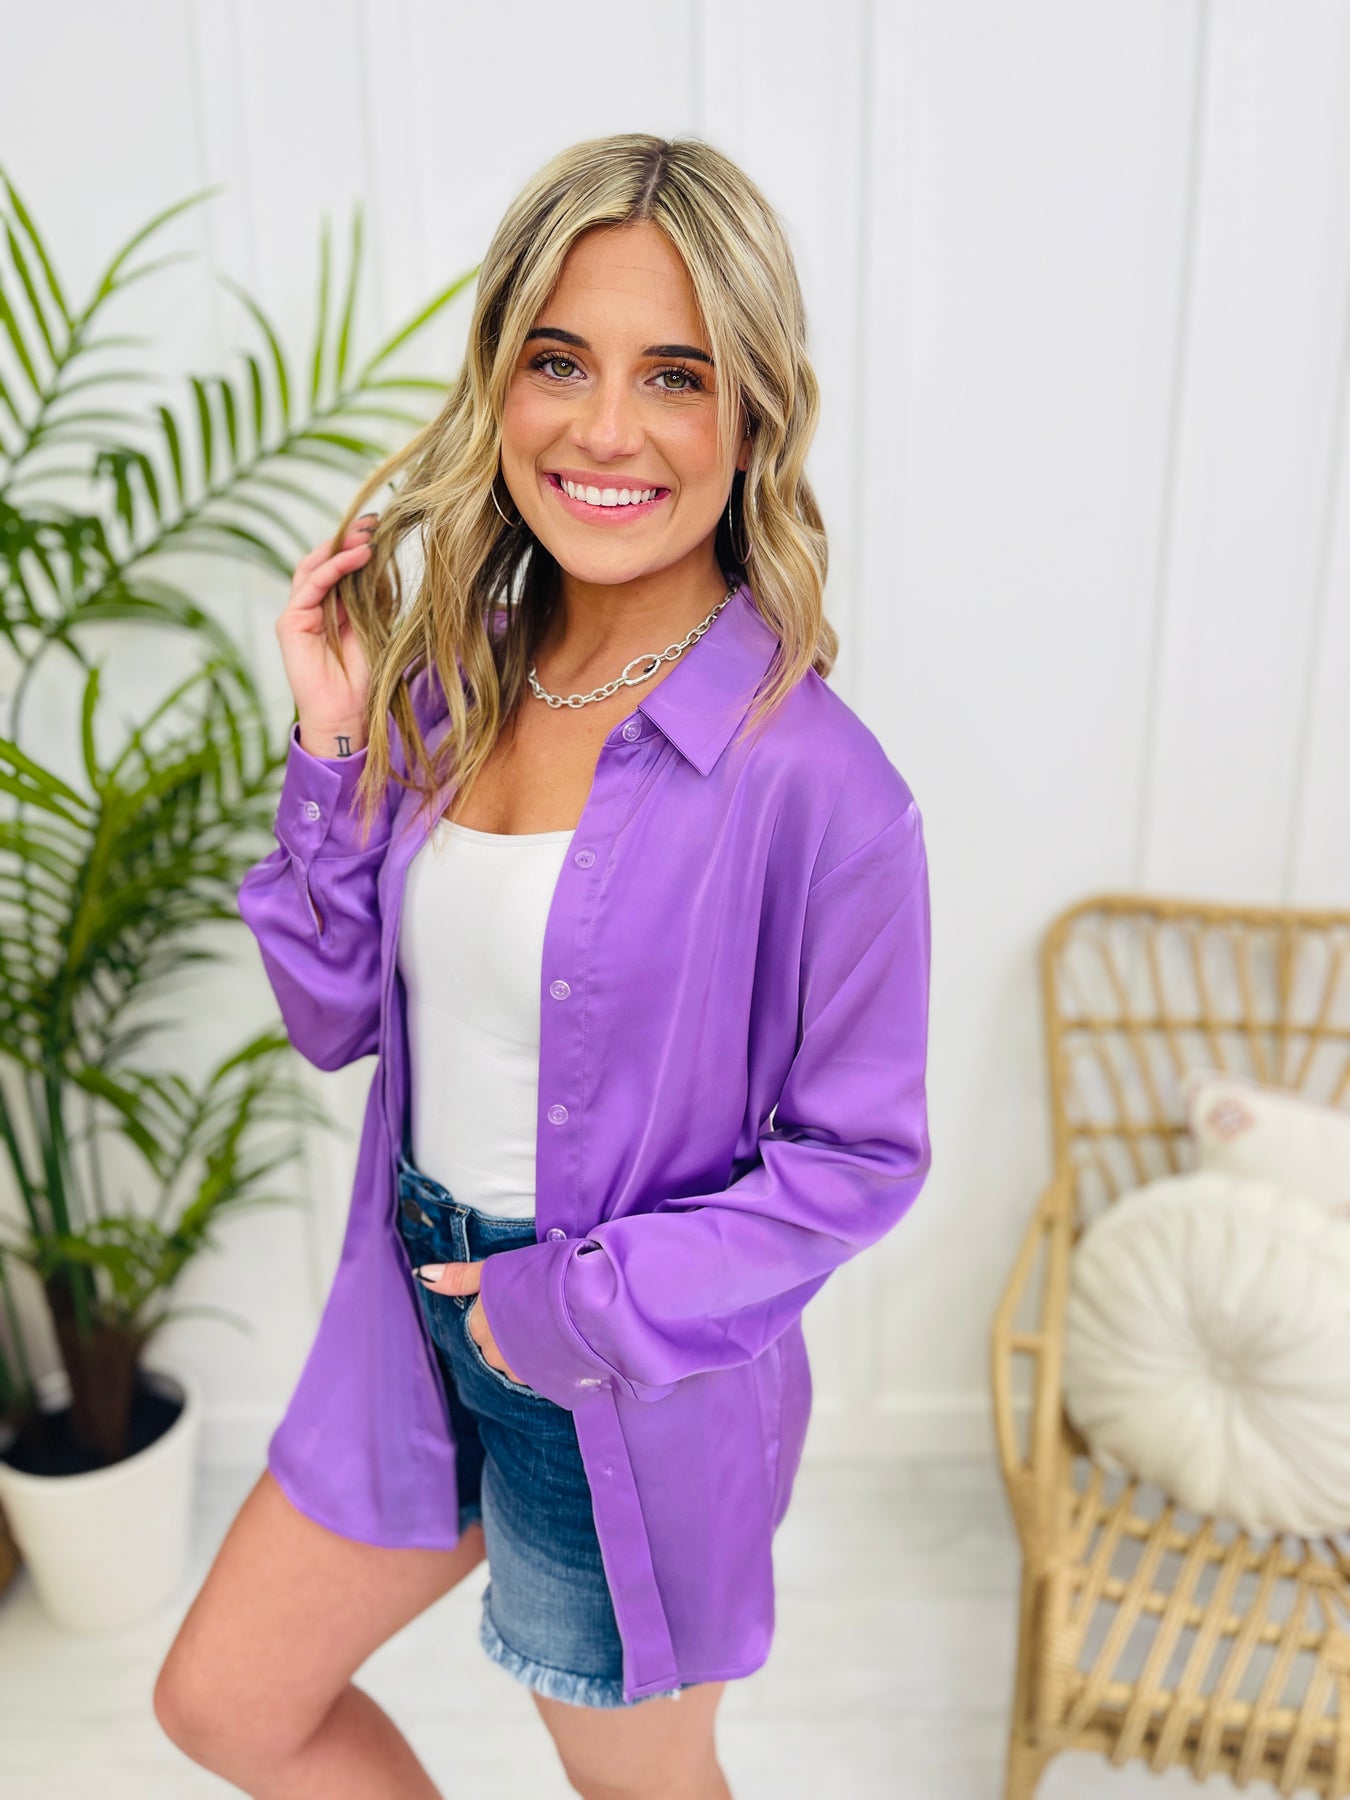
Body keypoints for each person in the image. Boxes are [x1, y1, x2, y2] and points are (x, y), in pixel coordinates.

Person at [153, 132, 932, 1800]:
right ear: (499, 377)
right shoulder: (457, 687)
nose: (603, 429)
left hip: (616, 1372)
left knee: (634, 1787)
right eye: (559, 361)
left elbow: (857, 1162)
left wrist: (561, 1313)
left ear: (752, 418)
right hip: (404, 1313)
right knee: (227, 1704)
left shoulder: (817, 784)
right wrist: (333, 741)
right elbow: (335, 1018)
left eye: (675, 376)